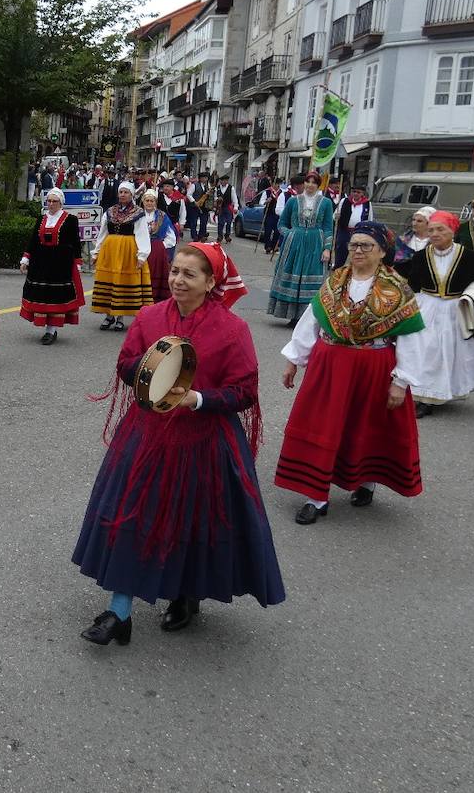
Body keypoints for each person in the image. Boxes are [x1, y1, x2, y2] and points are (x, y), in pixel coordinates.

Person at [73, 242, 284, 643]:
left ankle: (186, 596)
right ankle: (119, 612)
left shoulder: (232, 330)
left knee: (191, 523)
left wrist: (198, 399)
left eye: (189, 274)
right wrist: (150, 368)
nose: (177, 280)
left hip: (202, 441)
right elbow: (126, 364)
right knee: (133, 514)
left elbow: (243, 391)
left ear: (210, 282)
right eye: (174, 271)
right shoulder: (151, 316)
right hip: (147, 433)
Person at [276, 222, 426, 525]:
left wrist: (401, 382)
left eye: (366, 246)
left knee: (365, 424)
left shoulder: (397, 290)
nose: (357, 250)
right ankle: (316, 497)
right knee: (322, 425)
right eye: (354, 245)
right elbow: (311, 321)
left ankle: (366, 482)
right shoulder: (335, 282)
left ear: (383, 251)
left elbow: (411, 339)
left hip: (374, 366)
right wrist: (294, 358)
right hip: (329, 366)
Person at [405, 211, 474, 417]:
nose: (434, 234)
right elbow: (413, 285)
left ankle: (441, 391)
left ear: (452, 231)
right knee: (425, 351)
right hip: (427, 308)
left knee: (450, 353)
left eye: (440, 229)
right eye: (431, 229)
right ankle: (424, 396)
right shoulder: (420, 256)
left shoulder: (469, 257)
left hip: (455, 309)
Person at [267, 172, 335, 323]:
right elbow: (281, 224)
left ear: (319, 185)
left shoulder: (325, 203)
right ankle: (291, 315)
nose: (310, 185)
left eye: (314, 183)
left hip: (315, 244)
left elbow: (328, 227)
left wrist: (327, 248)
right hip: (294, 245)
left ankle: (307, 318)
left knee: (311, 278)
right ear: (304, 183)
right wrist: (291, 234)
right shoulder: (293, 201)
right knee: (293, 275)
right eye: (308, 182)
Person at [20, 187, 85, 344]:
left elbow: (76, 243)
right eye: (48, 201)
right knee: (42, 295)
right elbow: (33, 241)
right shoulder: (42, 218)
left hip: (60, 264)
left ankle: (51, 330)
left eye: (54, 201)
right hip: (40, 262)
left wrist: (77, 263)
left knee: (55, 297)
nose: (51, 204)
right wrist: (25, 259)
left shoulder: (70, 220)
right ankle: (45, 325)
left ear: (61, 202)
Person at [90, 182, 154, 332]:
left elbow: (142, 234)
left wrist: (142, 255)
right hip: (110, 250)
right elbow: (102, 233)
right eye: (121, 192)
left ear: (132, 195)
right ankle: (108, 315)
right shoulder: (110, 211)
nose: (123, 195)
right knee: (109, 281)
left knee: (123, 281)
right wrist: (96, 252)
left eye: (126, 192)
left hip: (128, 250)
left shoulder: (138, 213)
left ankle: (120, 317)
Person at [138, 189, 177, 302]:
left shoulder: (162, 216)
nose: (149, 203)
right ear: (143, 201)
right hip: (140, 248)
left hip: (156, 250)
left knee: (155, 274)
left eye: (152, 201)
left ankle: (155, 299)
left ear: (155, 202)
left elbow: (171, 237)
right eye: (147, 200)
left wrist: (160, 246)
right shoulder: (137, 215)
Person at [332, 184, 372, 267]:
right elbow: (335, 215)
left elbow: (370, 219)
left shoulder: (367, 204)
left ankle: (355, 269)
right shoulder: (344, 201)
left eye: (358, 192)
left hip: (358, 232)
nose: (356, 194)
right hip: (344, 231)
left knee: (357, 251)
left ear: (362, 194)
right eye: (354, 192)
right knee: (341, 250)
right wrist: (336, 216)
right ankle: (338, 268)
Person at [214, 174, 239, 243]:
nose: (224, 182)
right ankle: (220, 236)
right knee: (220, 222)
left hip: (228, 207)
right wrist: (217, 199)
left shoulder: (231, 188)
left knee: (229, 222)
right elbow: (215, 197)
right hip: (220, 207)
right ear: (221, 181)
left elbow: (234, 199)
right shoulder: (217, 188)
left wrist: (236, 207)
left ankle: (227, 235)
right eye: (223, 180)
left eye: (226, 180)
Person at [187, 171, 212, 241]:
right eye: (204, 178)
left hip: (204, 207)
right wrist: (194, 201)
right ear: (200, 178)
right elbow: (188, 194)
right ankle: (194, 236)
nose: (205, 179)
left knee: (204, 221)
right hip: (195, 206)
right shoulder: (194, 185)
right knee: (194, 222)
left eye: (206, 178)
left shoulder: (208, 185)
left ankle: (201, 235)